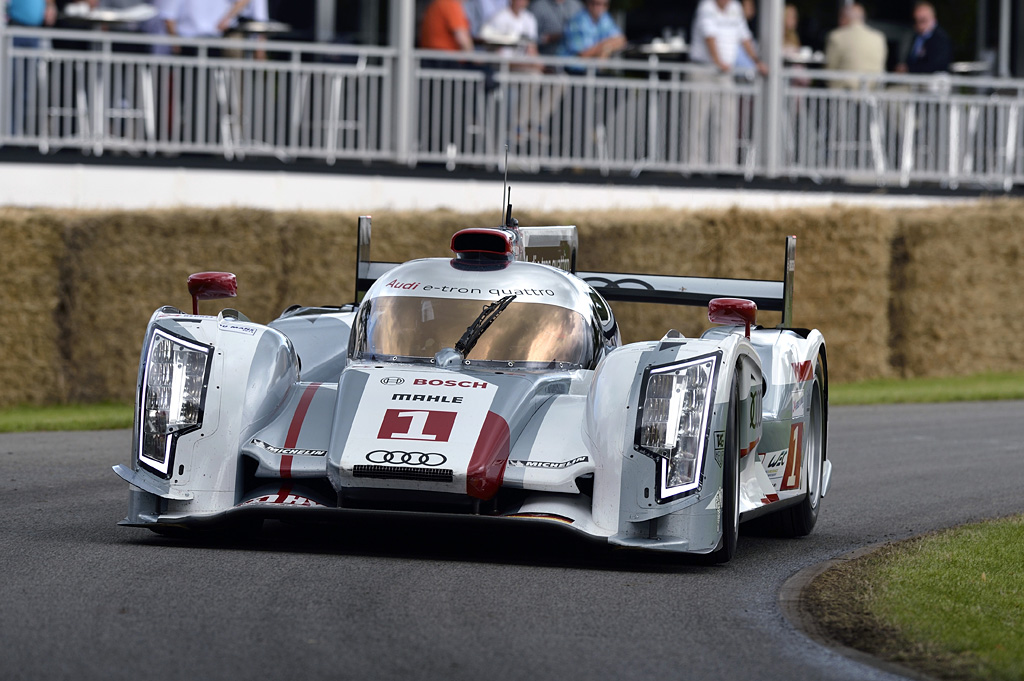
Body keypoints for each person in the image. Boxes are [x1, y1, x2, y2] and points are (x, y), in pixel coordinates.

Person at [688, 0, 766, 167]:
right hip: (704, 71)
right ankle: (694, 165)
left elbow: (744, 37)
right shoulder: (706, 7)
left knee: (727, 120)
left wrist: (757, 61)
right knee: (698, 121)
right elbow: (709, 37)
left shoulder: (735, 8)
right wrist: (719, 61)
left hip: (724, 74)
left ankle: (725, 165)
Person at [824, 3, 887, 89]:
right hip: (872, 92)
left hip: (844, 93)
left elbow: (829, 68)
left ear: (844, 18)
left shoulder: (836, 36)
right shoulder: (879, 37)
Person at [559, 0, 625, 61]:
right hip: (572, 69)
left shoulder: (605, 18)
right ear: (588, 3)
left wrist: (606, 48)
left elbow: (621, 40)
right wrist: (605, 48)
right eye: (597, 3)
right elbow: (583, 54)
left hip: (592, 69)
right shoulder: (576, 22)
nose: (600, 7)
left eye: (605, 4)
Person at [896, 1, 952, 74]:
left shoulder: (941, 38)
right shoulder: (913, 36)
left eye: (923, 20)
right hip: (910, 80)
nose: (919, 25)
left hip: (932, 82)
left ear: (933, 18)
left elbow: (937, 65)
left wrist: (909, 69)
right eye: (916, 21)